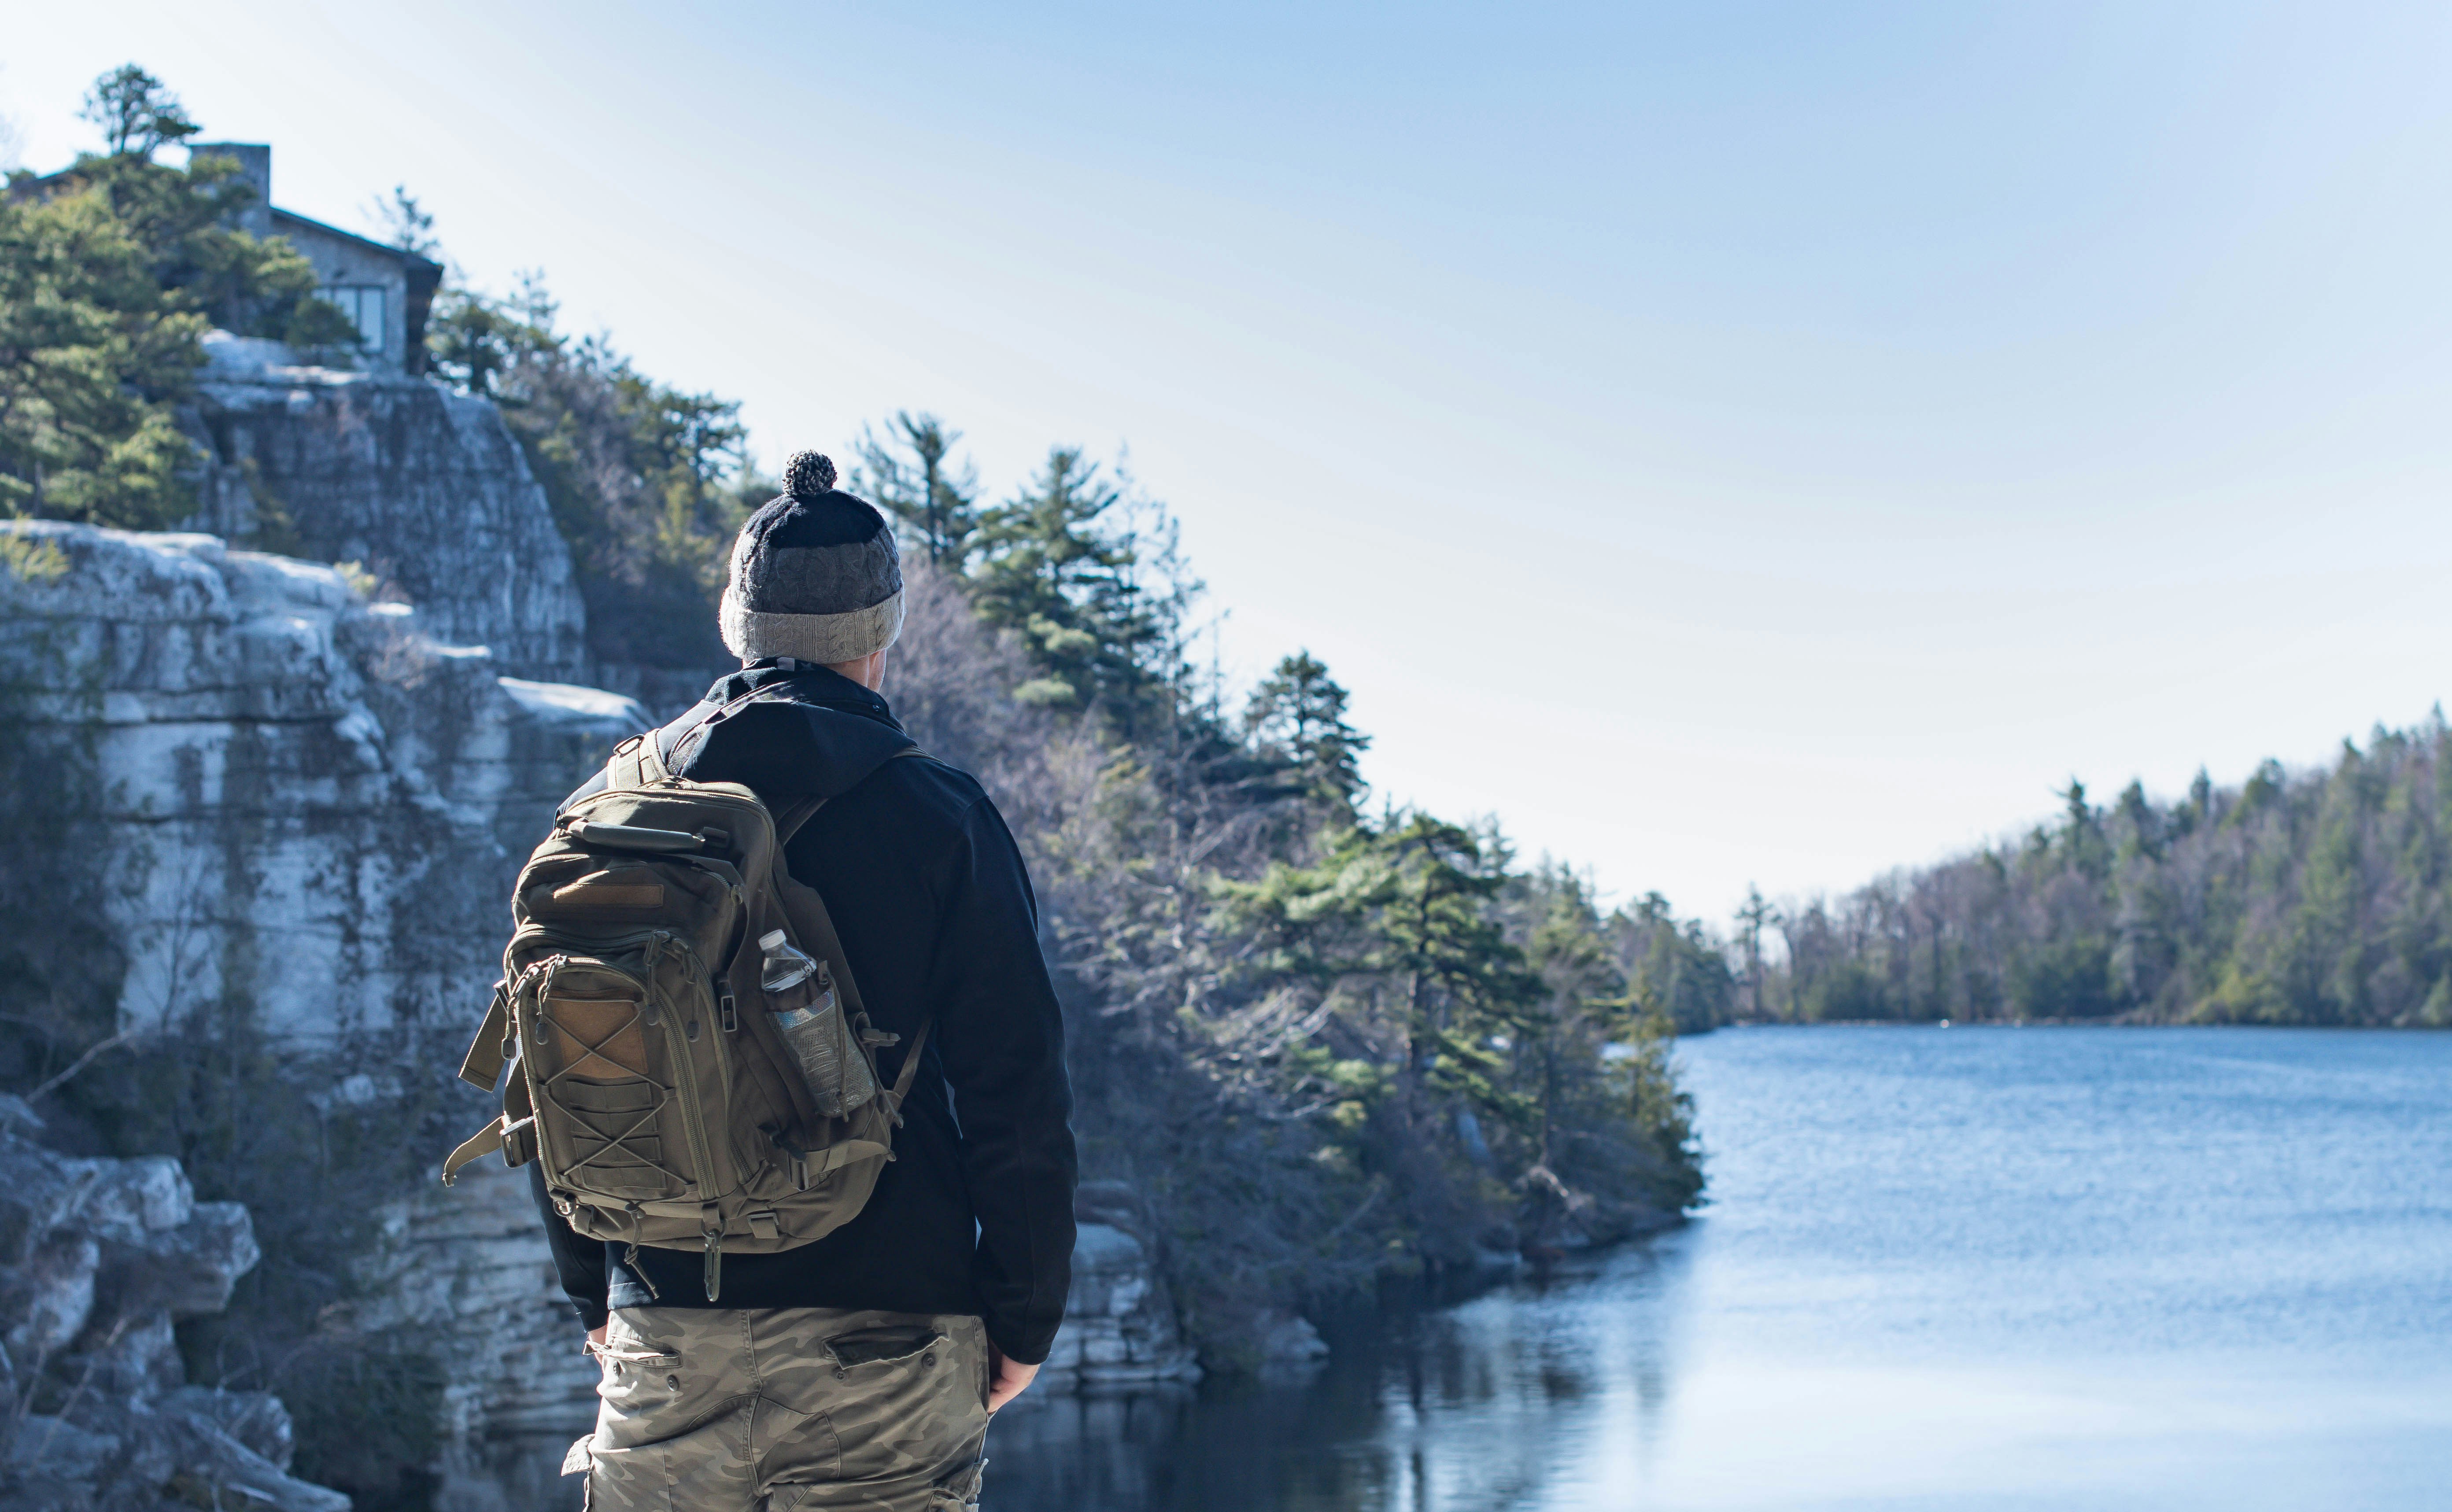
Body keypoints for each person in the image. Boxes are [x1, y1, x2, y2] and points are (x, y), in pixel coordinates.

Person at [540, 450, 1077, 1512]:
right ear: (880, 636)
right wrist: (1022, 1319)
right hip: (887, 1335)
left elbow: (556, 1056)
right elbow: (1018, 1092)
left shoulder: (616, 807)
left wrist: (594, 1294)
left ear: (736, 625)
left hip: (666, 1330)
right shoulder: (940, 816)